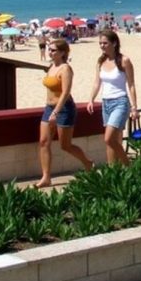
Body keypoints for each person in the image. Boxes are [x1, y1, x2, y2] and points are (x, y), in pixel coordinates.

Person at [35, 39, 93, 188]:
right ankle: (46, 177)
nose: (50, 52)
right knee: (43, 142)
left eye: (53, 50)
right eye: (49, 49)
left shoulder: (65, 69)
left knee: (65, 145)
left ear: (62, 53)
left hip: (64, 109)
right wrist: (52, 110)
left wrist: (56, 112)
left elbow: (66, 92)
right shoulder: (51, 66)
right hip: (49, 107)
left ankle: (87, 163)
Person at [87, 30, 139, 166]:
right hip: (106, 103)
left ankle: (128, 166)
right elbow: (97, 83)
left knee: (109, 138)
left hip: (120, 101)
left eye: (105, 43)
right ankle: (113, 170)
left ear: (114, 43)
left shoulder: (124, 60)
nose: (102, 46)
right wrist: (91, 99)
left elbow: (131, 84)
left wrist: (134, 107)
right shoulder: (100, 61)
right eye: (100, 43)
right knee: (114, 141)